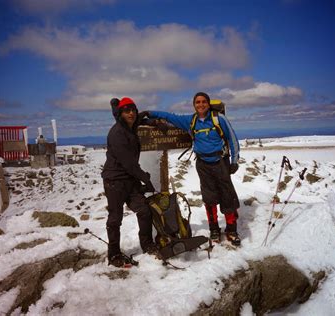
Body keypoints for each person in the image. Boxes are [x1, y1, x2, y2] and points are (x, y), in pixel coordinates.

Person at [142, 92, 241, 246]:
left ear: (208, 104)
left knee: (227, 196)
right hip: (203, 164)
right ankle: (214, 229)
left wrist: (234, 161)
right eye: (197, 102)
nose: (201, 105)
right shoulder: (191, 120)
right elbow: (170, 116)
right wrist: (150, 113)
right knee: (209, 197)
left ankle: (231, 229)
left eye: (203, 102)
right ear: (194, 105)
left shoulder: (218, 118)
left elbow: (232, 138)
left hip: (220, 162)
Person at [101, 97, 159, 267]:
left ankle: (147, 244)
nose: (131, 113)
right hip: (115, 181)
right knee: (115, 219)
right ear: (121, 114)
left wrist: (154, 123)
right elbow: (129, 163)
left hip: (129, 180)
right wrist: (146, 179)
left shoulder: (129, 123)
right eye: (127, 110)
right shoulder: (117, 134)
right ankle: (114, 254)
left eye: (133, 109)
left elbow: (138, 118)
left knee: (144, 211)